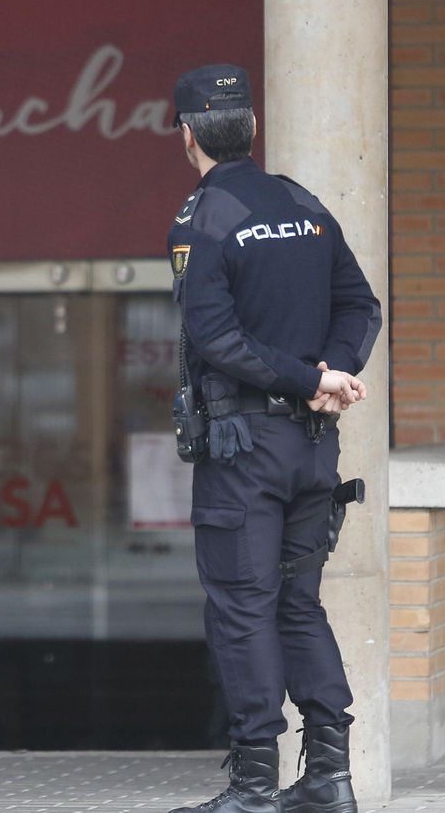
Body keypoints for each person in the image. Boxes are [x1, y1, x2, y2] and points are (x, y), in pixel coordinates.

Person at [163, 64, 381, 813]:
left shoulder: (203, 219)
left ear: (186, 134)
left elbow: (216, 338)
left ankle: (255, 785)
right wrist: (334, 373)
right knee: (298, 605)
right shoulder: (304, 203)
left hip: (245, 451)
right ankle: (329, 777)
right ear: (252, 129)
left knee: (242, 606)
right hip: (315, 448)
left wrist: (306, 378)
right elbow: (361, 303)